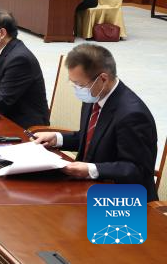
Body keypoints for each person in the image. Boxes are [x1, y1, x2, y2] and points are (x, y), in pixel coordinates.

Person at [32, 43, 157, 200]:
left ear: (103, 79)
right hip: (89, 187)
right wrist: (57, 138)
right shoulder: (94, 96)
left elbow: (136, 169)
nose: (77, 89)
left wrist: (92, 169)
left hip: (124, 200)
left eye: (80, 84)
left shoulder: (133, 115)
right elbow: (93, 139)